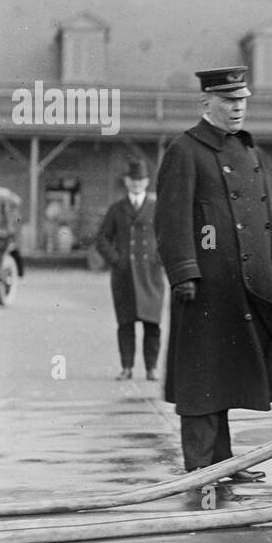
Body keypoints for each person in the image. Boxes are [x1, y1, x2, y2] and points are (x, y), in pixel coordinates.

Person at [155, 66, 272, 485]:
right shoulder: (185, 150)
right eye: (228, 101)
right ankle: (200, 466)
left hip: (245, 283)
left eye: (242, 101)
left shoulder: (247, 150)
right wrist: (183, 272)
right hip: (204, 285)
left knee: (227, 372)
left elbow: (264, 218)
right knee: (202, 374)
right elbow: (171, 219)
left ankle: (222, 460)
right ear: (206, 102)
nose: (238, 108)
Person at [95, 158, 166, 380]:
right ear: (126, 181)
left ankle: (151, 368)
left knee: (152, 324)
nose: (136, 183)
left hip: (151, 275)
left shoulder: (157, 208)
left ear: (147, 182)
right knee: (125, 324)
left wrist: (159, 258)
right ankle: (126, 367)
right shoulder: (116, 209)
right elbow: (102, 239)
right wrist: (117, 260)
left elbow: (169, 236)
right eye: (133, 179)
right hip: (124, 275)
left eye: (141, 179)